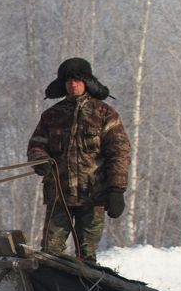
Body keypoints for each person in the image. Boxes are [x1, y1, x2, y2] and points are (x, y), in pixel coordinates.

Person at [26, 57, 131, 263]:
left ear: (86, 82)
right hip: (59, 195)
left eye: (77, 80)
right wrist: (41, 161)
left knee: (87, 257)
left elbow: (119, 153)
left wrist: (117, 190)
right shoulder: (51, 115)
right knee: (49, 254)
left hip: (93, 197)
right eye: (68, 81)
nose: (72, 84)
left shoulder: (105, 114)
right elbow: (36, 145)